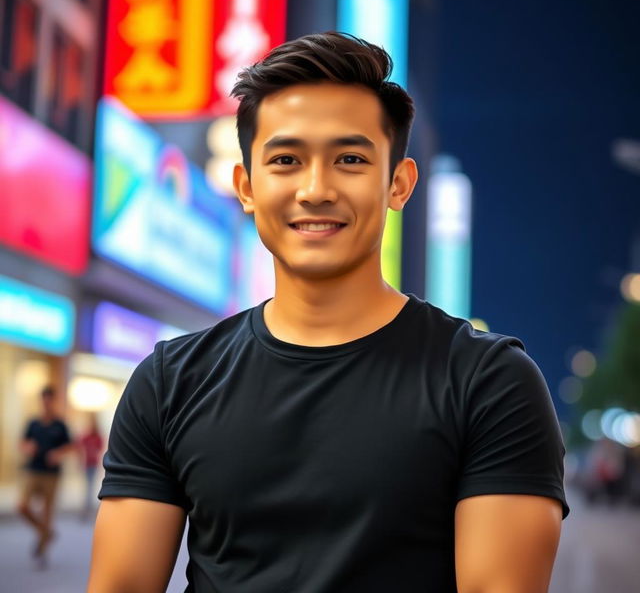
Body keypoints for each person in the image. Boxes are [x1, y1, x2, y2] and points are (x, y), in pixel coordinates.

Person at [88, 32, 569, 592]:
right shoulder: (170, 381)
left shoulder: (488, 382)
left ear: (398, 183)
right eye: (286, 160)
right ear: (245, 185)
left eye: (350, 159)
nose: (315, 190)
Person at [17, 385, 74, 566]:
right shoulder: (33, 423)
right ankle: (46, 532)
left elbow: (71, 445)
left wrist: (58, 453)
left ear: (53, 401)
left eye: (50, 399)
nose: (47, 403)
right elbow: (23, 443)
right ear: (41, 401)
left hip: (52, 474)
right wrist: (27, 447)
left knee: (47, 511)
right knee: (23, 506)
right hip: (33, 470)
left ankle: (42, 552)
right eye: (44, 399)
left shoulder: (60, 425)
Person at [78, 413, 104, 519]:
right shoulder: (86, 436)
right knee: (88, 487)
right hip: (86, 463)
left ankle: (87, 509)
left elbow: (100, 449)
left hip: (93, 464)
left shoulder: (97, 436)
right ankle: (86, 509)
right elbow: (79, 447)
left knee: (90, 487)